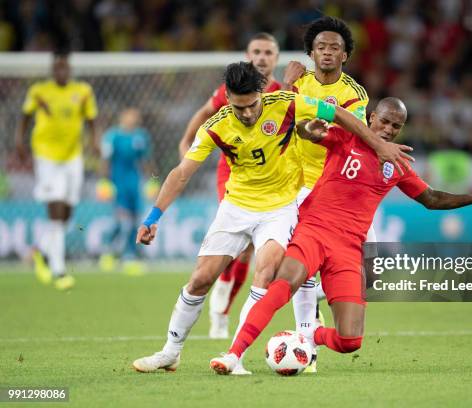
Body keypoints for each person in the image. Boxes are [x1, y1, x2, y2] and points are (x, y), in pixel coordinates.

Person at [132, 62, 412, 375]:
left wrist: (377, 144)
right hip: (236, 205)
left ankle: (234, 356)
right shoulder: (217, 125)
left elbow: (340, 115)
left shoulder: (287, 104)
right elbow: (182, 172)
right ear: (228, 100)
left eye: (252, 105)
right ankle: (170, 352)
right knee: (201, 279)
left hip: (280, 208)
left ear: (262, 93)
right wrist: (154, 215)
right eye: (239, 108)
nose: (247, 114)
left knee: (265, 274)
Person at [209, 97, 472, 374]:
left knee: (350, 340)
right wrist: (307, 127)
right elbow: (306, 132)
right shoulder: (346, 138)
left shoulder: (397, 165)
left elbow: (431, 199)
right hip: (313, 230)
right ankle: (233, 355)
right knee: (281, 285)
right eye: (384, 121)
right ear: (370, 118)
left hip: (349, 249)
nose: (389, 129)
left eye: (396, 125)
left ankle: (309, 334)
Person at [281, 16, 373, 372]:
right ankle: (306, 342)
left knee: (372, 271)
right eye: (321, 47)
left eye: (335, 47)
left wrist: (315, 128)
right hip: (301, 186)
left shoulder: (355, 94)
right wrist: (287, 87)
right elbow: (276, 118)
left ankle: (320, 294)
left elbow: (352, 135)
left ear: (345, 54)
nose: (328, 52)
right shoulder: (297, 84)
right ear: (310, 52)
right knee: (302, 269)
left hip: (340, 188)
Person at [178, 33, 283, 339]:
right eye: (256, 51)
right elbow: (204, 113)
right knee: (241, 247)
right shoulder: (230, 90)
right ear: (247, 55)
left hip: (271, 180)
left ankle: (222, 307)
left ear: (276, 58)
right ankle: (221, 305)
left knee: (249, 252)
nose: (262, 57)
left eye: (268, 52)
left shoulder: (284, 92)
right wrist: (186, 141)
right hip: (234, 175)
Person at [14, 49, 98, 290]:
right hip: (47, 156)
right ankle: (58, 270)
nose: (61, 71)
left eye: (65, 67)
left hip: (73, 155)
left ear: (70, 69)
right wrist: (19, 142)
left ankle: (40, 250)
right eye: (57, 67)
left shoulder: (82, 92)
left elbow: (92, 120)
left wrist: (94, 142)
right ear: (52, 70)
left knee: (67, 213)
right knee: (56, 209)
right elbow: (24, 117)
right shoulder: (39, 91)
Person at [99, 108, 153, 272]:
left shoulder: (141, 136)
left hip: (134, 183)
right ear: (122, 117)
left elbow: (146, 161)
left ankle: (117, 253)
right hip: (118, 183)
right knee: (123, 221)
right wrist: (104, 182)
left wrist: (153, 181)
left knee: (135, 220)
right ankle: (121, 254)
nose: (134, 118)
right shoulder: (112, 136)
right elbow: (105, 161)